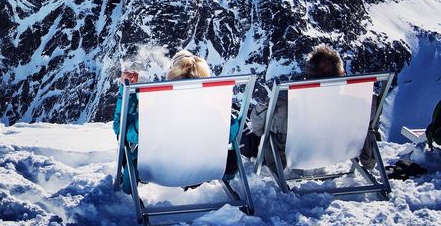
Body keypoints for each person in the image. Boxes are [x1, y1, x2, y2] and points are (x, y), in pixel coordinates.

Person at [113, 50, 240, 194]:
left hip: (158, 173)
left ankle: (128, 186)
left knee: (127, 145)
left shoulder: (154, 116)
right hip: (204, 172)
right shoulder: (215, 116)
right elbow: (230, 135)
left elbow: (121, 129)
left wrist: (127, 93)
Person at [242, 45, 377, 172]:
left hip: (294, 154)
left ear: (308, 77)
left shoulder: (284, 101)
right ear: (342, 74)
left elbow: (258, 128)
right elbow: (369, 128)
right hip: (338, 151)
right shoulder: (362, 103)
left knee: (246, 136)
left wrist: (264, 105)